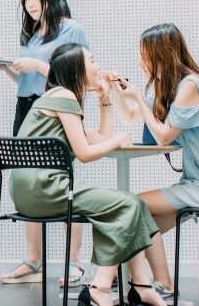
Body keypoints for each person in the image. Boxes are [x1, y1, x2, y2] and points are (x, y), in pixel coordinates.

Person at [11, 43, 167, 306]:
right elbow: (85, 153)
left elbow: (100, 137)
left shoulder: (55, 97)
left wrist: (104, 100)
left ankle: (141, 286)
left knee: (132, 204)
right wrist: (119, 139)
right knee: (128, 204)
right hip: (46, 189)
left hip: (30, 192)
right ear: (77, 69)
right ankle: (100, 287)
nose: (98, 65)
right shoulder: (65, 97)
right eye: (92, 60)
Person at [111, 23, 199, 305]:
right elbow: (132, 117)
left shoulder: (191, 85)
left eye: (144, 54)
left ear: (162, 53)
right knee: (141, 222)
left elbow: (163, 135)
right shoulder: (167, 87)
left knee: (134, 204)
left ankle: (153, 284)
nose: (141, 61)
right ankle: (159, 287)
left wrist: (138, 97)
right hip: (197, 183)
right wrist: (117, 93)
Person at [0, 0, 88, 287]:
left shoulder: (72, 29)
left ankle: (74, 262)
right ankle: (33, 260)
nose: (30, 3)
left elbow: (77, 76)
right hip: (27, 108)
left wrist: (38, 65)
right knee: (28, 180)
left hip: (58, 108)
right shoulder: (30, 34)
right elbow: (27, 82)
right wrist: (7, 68)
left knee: (63, 180)